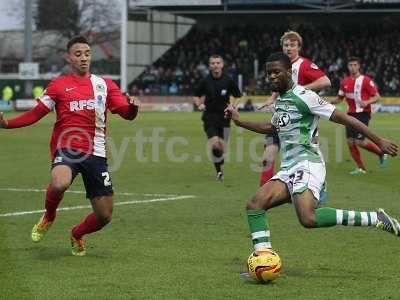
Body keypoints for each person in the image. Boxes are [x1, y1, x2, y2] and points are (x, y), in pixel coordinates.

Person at [225, 52, 399, 258]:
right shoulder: (282, 100)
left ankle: (376, 218)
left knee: (308, 218)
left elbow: (345, 118)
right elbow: (270, 126)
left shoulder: (305, 96)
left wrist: (378, 140)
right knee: (255, 205)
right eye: (268, 73)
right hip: (289, 167)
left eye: (276, 72)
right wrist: (239, 120)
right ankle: (263, 258)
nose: (271, 77)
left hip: (307, 163)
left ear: (289, 72)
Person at [0, 36, 141, 256]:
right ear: (69, 58)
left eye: (87, 53)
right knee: (59, 182)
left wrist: (132, 108)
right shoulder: (58, 85)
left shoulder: (105, 85)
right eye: (78, 54)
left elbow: (125, 112)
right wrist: (7, 124)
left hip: (96, 153)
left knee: (104, 216)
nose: (84, 58)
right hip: (67, 148)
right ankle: (49, 216)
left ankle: (76, 233)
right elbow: (36, 113)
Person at [259, 31, 331, 187]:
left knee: (307, 158)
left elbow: (325, 81)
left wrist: (300, 91)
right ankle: (264, 192)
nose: (288, 48)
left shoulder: (304, 64)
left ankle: (316, 187)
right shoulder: (280, 65)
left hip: (302, 123)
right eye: (286, 45)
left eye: (292, 45)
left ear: (298, 47)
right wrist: (271, 99)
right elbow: (279, 86)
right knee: (268, 155)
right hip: (281, 118)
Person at [331, 56, 386, 175]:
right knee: (350, 141)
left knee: (359, 142)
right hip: (350, 114)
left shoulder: (366, 80)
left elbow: (377, 96)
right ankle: (361, 168)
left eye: (355, 65)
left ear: (359, 66)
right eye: (350, 65)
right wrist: (327, 102)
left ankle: (381, 153)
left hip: (363, 114)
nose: (353, 67)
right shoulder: (344, 82)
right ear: (348, 67)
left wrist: (366, 102)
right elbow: (339, 98)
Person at [193, 55, 242, 181]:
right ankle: (219, 172)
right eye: (213, 63)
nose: (215, 65)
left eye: (218, 62)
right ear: (209, 66)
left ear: (222, 65)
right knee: (215, 144)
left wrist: (233, 106)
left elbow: (238, 96)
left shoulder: (228, 80)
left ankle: (219, 159)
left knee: (221, 147)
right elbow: (196, 96)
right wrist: (200, 104)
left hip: (225, 117)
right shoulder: (205, 81)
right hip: (209, 117)